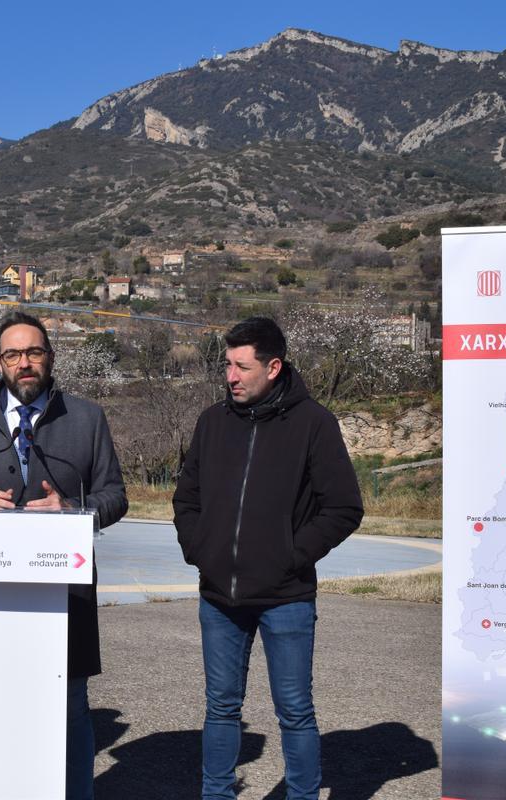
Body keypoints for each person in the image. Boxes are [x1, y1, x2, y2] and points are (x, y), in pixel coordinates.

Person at [0, 310, 127, 800]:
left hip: (68, 596)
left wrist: (75, 510)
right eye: (13, 354)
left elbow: (115, 495)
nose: (24, 363)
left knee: (70, 707)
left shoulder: (86, 418)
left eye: (33, 352)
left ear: (50, 357)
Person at [172, 316, 364, 800]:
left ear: (273, 366)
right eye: (227, 366)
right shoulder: (212, 422)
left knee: (295, 710)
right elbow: (186, 497)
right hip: (219, 596)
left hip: (286, 596)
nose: (230, 376)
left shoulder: (314, 424)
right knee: (220, 707)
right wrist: (200, 549)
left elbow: (343, 507)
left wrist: (291, 556)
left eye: (241, 366)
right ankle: (216, 795)